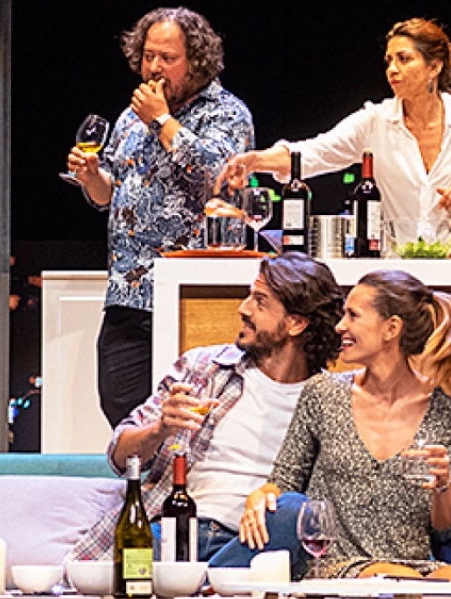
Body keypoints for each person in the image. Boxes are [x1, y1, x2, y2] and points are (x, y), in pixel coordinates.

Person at [72, 252, 344, 599]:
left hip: (260, 543)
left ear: (296, 324)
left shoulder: (333, 399)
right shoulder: (203, 368)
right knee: (148, 553)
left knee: (293, 510)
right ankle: (187, 597)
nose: (243, 308)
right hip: (178, 531)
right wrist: (158, 430)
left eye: (260, 301)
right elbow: (119, 455)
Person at [220, 269, 451, 599]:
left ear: (391, 328)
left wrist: (443, 487)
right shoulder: (323, 395)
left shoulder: (448, 410)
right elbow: (284, 482)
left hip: (411, 562)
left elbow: (447, 529)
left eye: (353, 315)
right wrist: (259, 498)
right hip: (335, 563)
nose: (340, 326)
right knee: (405, 593)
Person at [65, 7, 254, 428]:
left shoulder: (227, 113)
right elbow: (109, 196)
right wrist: (91, 176)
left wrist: (162, 120)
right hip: (130, 292)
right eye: (148, 56)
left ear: (196, 61)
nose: (153, 68)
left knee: (196, 412)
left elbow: (214, 172)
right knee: (121, 407)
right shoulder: (130, 117)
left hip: (196, 293)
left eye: (167, 58)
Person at [219, 18, 451, 224]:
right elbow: (315, 153)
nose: (392, 69)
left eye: (404, 59)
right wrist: (255, 160)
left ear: (434, 67)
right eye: (389, 61)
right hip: (397, 267)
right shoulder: (374, 121)